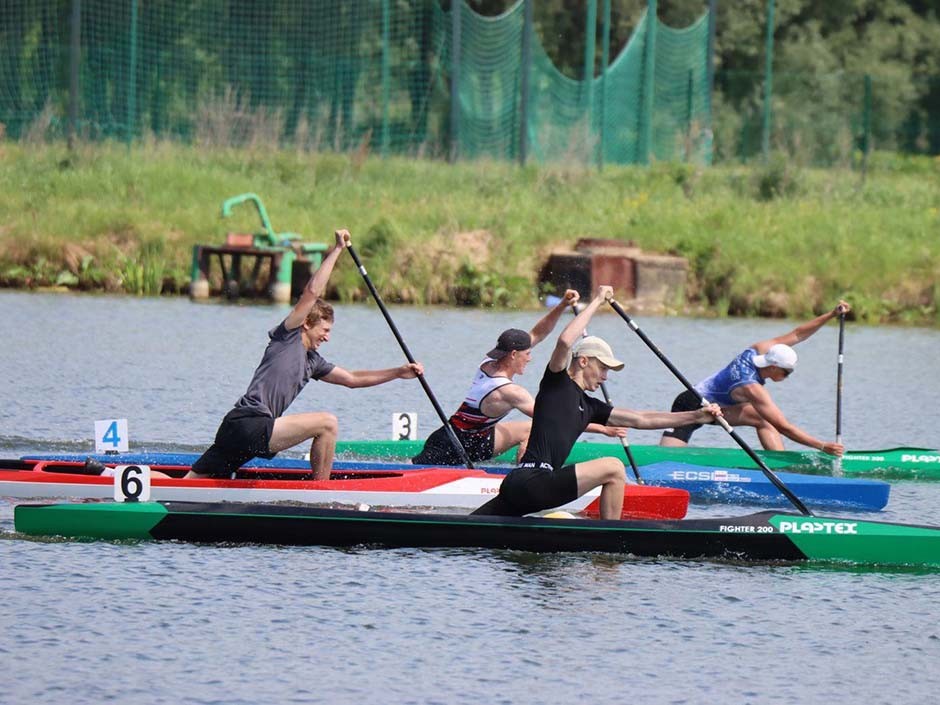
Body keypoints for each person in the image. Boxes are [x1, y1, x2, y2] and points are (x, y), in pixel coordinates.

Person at [186, 229, 423, 480]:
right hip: (249, 423)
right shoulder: (286, 336)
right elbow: (312, 292)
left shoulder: (313, 363)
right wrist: (337, 250)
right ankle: (320, 494)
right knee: (327, 423)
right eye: (325, 330)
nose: (328, 337)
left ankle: (151, 484)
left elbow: (352, 379)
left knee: (193, 482)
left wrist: (398, 372)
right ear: (308, 324)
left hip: (235, 429)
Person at [472, 285, 721, 520]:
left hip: (521, 486)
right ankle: (610, 537)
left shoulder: (590, 407)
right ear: (583, 361)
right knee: (613, 468)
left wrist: (696, 416)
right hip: (533, 483)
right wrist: (598, 301)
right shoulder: (556, 383)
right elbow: (565, 342)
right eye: (602, 367)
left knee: (462, 528)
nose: (605, 376)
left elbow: (641, 419)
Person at [411, 289, 628, 466]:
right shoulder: (510, 392)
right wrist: (602, 428)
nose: (530, 358)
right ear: (513, 355)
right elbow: (554, 418)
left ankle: (522, 472)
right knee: (534, 426)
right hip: (457, 448)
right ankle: (524, 476)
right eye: (527, 354)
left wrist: (561, 305)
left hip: (458, 437)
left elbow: (537, 334)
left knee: (527, 427)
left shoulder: (488, 363)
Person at [659, 301, 851, 455]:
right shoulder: (751, 388)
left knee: (763, 418)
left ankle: (781, 467)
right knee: (665, 458)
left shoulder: (758, 350)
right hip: (690, 403)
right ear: (774, 367)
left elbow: (797, 334)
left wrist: (831, 315)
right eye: (787, 373)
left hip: (715, 406)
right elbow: (784, 427)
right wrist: (822, 446)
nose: (787, 377)